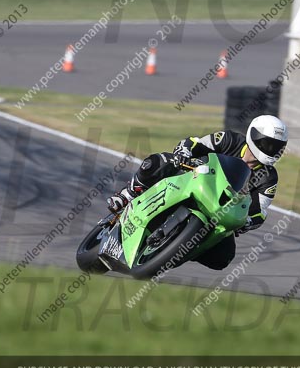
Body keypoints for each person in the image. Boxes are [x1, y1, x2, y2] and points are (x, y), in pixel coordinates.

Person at [106, 115, 288, 270]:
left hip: (217, 213)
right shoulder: (229, 139)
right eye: (267, 143)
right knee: (158, 162)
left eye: (276, 147)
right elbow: (195, 143)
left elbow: (260, 211)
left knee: (223, 258)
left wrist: (247, 221)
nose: (271, 150)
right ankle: (129, 194)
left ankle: (180, 249)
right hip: (192, 179)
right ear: (253, 136)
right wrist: (184, 152)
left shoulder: (269, 177)